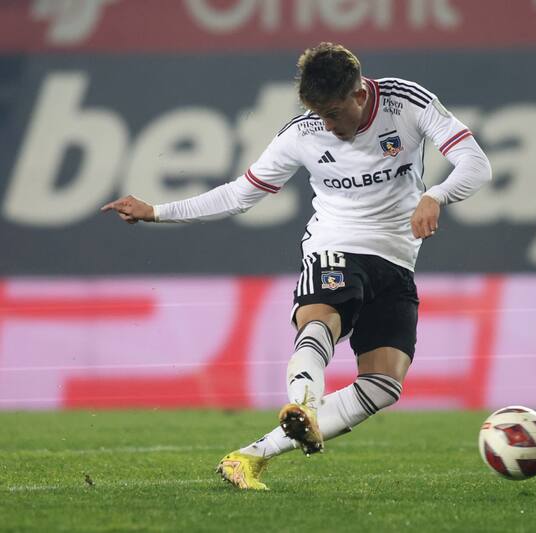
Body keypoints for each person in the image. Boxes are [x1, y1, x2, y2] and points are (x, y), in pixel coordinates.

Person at [101, 42, 492, 490]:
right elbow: (240, 194)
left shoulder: (406, 102)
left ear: (359, 94)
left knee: (384, 385)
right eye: (318, 114)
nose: (327, 125)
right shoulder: (302, 132)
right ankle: (304, 403)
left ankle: (249, 457)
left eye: (333, 113)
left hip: (397, 258)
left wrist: (436, 195)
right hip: (335, 244)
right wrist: (157, 211)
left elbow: (476, 164)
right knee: (322, 318)